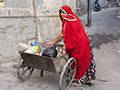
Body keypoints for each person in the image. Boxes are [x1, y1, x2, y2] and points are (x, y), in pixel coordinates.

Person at [47, 5, 96, 86]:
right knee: (86, 58)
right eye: (61, 13)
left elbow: (62, 34)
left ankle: (78, 81)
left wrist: (53, 41)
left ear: (67, 12)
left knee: (78, 61)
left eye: (63, 12)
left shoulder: (68, 21)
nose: (62, 14)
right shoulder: (74, 17)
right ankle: (89, 79)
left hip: (79, 43)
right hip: (85, 39)